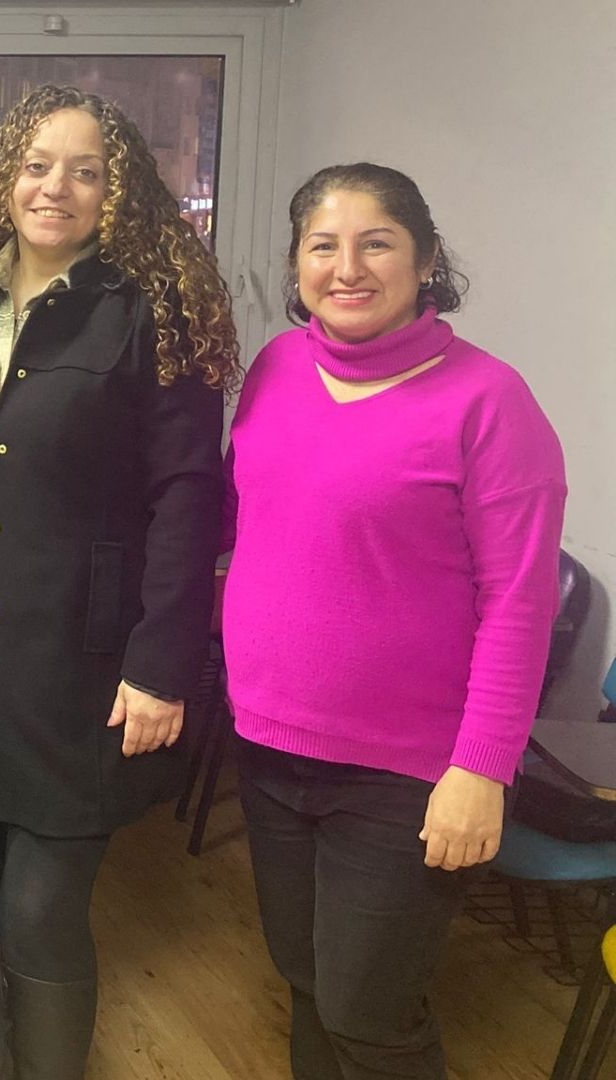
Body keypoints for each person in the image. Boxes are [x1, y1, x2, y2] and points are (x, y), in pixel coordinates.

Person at [0, 85, 240, 1078]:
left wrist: (162, 663)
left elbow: (187, 495)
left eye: (87, 171)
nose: (56, 188)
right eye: (38, 166)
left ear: (117, 189)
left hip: (76, 664)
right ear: (6, 176)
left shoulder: (149, 305)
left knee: (40, 908)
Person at [225, 163, 565, 1079]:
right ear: (296, 263)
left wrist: (481, 767)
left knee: (368, 1012)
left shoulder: (489, 401)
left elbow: (520, 603)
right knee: (304, 977)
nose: (347, 268)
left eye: (376, 243)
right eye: (322, 245)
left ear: (425, 260)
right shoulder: (275, 369)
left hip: (407, 771)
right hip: (269, 744)